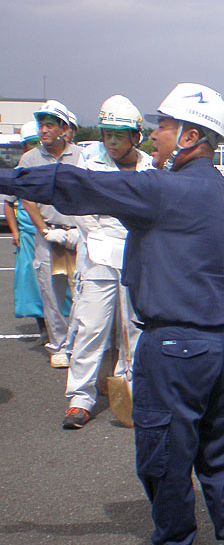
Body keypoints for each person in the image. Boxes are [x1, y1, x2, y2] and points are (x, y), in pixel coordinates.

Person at [0, 83, 224, 545]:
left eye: (163, 125)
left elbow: (76, 184)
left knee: (166, 458)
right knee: (221, 454)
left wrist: (8, 176)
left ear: (189, 135)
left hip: (173, 348)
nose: (155, 135)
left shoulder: (160, 189)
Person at [61, 96, 153, 430]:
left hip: (137, 256)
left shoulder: (149, 166)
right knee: (92, 327)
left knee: (135, 327)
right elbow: (79, 206)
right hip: (97, 257)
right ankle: (80, 399)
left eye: (119, 134)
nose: (112, 141)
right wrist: (100, 238)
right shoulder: (89, 161)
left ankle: (131, 388)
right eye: (107, 134)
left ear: (135, 136)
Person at [18, 100, 81, 367]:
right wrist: (43, 230)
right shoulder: (30, 159)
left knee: (82, 292)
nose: (43, 130)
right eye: (41, 125)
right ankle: (59, 345)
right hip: (48, 235)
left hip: (78, 233)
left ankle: (79, 343)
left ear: (62, 128)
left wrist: (83, 227)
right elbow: (27, 199)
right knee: (52, 294)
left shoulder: (81, 156)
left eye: (49, 125)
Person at [3, 120, 52, 340]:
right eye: (28, 144)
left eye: (35, 143)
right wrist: (15, 233)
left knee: (59, 284)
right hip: (28, 234)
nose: (31, 148)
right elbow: (9, 203)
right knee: (32, 284)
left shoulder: (48, 165)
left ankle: (59, 325)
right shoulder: (22, 168)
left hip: (50, 231)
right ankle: (42, 325)